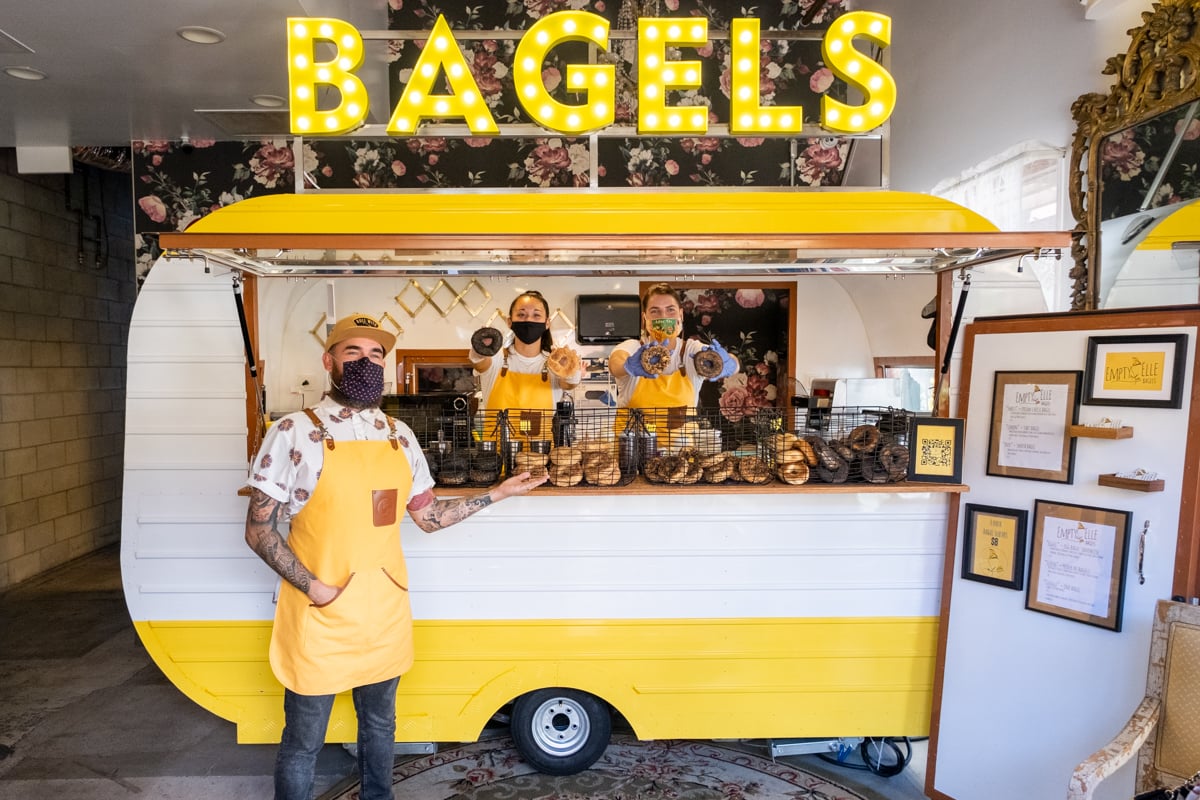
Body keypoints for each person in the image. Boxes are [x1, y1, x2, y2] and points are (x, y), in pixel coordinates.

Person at [244, 312, 546, 800]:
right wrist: (315, 588)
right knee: (303, 743)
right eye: (353, 352)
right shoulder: (293, 432)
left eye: (376, 354)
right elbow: (259, 530)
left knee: (381, 730)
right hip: (319, 613)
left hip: (383, 611)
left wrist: (498, 492)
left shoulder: (398, 435)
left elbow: (427, 518)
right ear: (328, 361)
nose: (367, 361)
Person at [608, 282, 738, 410]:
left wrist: (728, 362)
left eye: (670, 310)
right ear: (644, 318)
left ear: (680, 315)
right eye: (655, 311)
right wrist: (627, 366)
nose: (663, 317)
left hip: (682, 431)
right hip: (635, 431)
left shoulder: (690, 351)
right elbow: (615, 363)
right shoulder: (634, 347)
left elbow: (734, 362)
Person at [469, 289, 582, 413]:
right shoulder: (497, 358)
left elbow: (569, 384)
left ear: (547, 323)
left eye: (536, 315)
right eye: (521, 315)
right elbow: (478, 361)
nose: (529, 319)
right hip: (498, 433)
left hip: (543, 433)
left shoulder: (555, 365)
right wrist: (482, 344)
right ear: (509, 322)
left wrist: (571, 368)